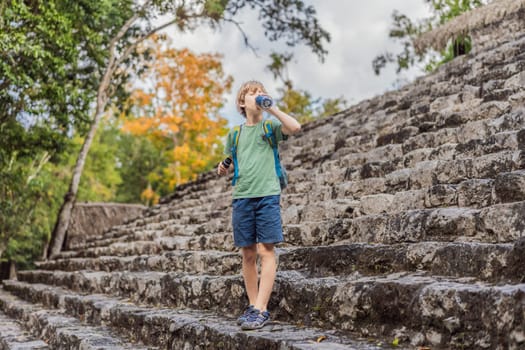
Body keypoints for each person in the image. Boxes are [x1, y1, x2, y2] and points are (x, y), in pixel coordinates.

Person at [217, 80, 301, 330]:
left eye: (260, 92)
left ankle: (262, 308)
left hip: (267, 195)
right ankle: (253, 305)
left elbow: (295, 127)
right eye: (252, 93)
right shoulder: (235, 133)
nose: (258, 95)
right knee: (248, 254)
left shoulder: (269, 126)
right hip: (242, 196)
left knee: (266, 251)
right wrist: (223, 167)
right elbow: (231, 160)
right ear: (242, 102)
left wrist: (272, 108)